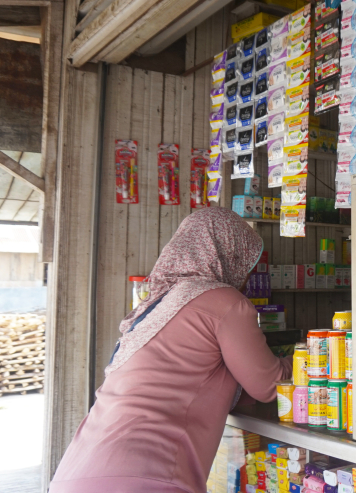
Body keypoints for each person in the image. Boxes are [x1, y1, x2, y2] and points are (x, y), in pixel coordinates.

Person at [50, 208, 292, 493]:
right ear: (229, 255)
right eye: (246, 264)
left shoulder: (158, 303)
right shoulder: (224, 301)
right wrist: (311, 355)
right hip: (146, 476)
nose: (247, 276)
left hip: (75, 472)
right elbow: (269, 385)